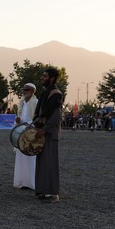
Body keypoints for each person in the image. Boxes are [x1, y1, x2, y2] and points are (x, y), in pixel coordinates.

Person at [33, 68, 63, 203]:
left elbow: (56, 114)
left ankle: (53, 193)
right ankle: (43, 190)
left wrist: (44, 129)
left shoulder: (55, 94)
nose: (42, 78)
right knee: (42, 162)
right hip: (42, 132)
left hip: (49, 133)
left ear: (52, 78)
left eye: (44, 76)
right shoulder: (46, 93)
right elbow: (40, 113)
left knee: (49, 163)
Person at [13, 82, 38, 189]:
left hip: (31, 133)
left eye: (27, 90)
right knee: (21, 157)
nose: (24, 92)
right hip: (21, 132)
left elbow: (37, 119)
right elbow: (20, 117)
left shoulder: (36, 102)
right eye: (24, 90)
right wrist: (18, 120)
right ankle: (22, 181)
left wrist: (29, 125)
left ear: (32, 91)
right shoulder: (22, 103)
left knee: (31, 158)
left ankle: (31, 183)